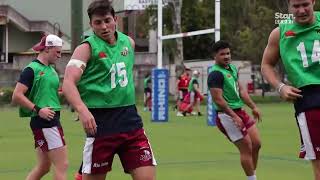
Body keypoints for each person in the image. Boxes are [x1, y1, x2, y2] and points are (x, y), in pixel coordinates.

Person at [62, 1, 156, 180]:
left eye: (107, 20)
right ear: (91, 25)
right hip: (100, 124)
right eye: (98, 23)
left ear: (115, 19)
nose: (104, 27)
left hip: (130, 121)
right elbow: (68, 82)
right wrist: (82, 110)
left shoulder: (128, 43)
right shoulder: (85, 48)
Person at [261, 0, 320, 179]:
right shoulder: (280, 33)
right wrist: (280, 87)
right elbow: (266, 65)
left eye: (305, 5)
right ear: (288, 6)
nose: (301, 10)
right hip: (310, 101)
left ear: (313, 2)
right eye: (296, 6)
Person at [11, 34, 68, 180]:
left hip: (49, 120)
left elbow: (50, 95)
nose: (60, 56)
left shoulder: (51, 70)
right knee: (62, 165)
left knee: (44, 166)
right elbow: (17, 95)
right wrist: (38, 109)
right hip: (46, 121)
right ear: (47, 49)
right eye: (58, 51)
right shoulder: (31, 69)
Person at [207, 40, 261, 180]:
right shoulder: (215, 74)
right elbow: (218, 99)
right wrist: (234, 116)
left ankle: (252, 174)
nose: (226, 56)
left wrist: (253, 107)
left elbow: (241, 91)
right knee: (246, 147)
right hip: (225, 115)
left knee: (256, 144)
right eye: (222, 54)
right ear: (215, 56)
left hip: (240, 111)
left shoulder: (232, 68)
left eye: (228, 53)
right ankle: (252, 178)